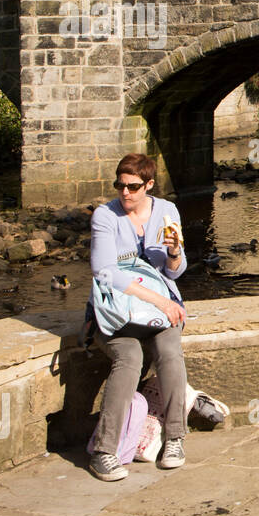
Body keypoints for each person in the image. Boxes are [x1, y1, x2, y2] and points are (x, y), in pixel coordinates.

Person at [87, 153, 188, 480]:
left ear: (149, 185)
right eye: (119, 185)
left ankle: (174, 438)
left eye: (132, 187)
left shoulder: (167, 211)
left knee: (170, 352)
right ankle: (104, 452)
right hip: (119, 312)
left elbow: (175, 273)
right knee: (128, 359)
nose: (124, 193)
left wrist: (174, 253)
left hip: (159, 311)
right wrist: (159, 300)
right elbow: (105, 272)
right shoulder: (105, 216)